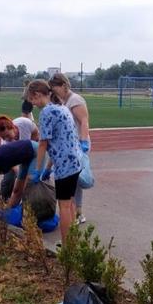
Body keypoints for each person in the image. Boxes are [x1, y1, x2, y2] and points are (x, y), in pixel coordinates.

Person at [26, 79, 83, 245]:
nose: (32, 103)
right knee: (70, 203)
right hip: (74, 161)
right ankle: (72, 241)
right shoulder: (61, 107)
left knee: (64, 206)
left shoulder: (46, 112)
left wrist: (38, 169)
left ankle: (67, 247)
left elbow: (44, 143)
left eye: (32, 99)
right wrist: (49, 168)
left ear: (37, 95)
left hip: (65, 166)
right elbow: (58, 141)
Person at [49, 73, 91, 224]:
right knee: (73, 179)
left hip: (79, 143)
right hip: (71, 144)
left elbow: (84, 121)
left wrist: (84, 142)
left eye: (55, 88)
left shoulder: (75, 100)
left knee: (76, 179)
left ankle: (78, 212)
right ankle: (75, 211)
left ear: (64, 86)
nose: (54, 92)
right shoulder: (64, 101)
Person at [0, 115, 39, 201]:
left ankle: (29, 204)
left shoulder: (24, 123)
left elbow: (35, 130)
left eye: (7, 135)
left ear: (12, 127)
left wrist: (33, 142)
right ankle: (3, 201)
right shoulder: (5, 144)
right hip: (13, 158)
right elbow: (10, 162)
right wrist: (19, 173)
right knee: (8, 179)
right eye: (3, 137)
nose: (6, 139)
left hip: (29, 153)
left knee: (30, 180)